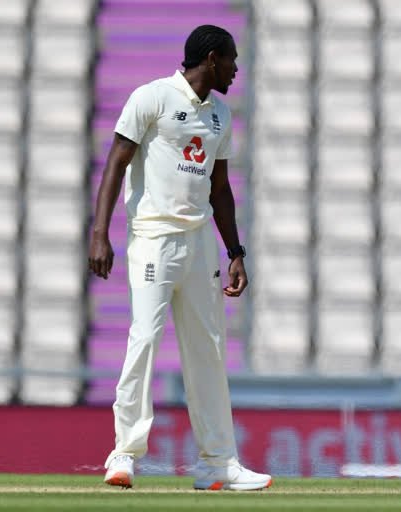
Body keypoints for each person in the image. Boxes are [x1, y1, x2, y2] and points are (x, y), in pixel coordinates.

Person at [88, 25, 272, 491]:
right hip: (153, 237)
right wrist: (99, 233)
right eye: (231, 59)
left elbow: (220, 188)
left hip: (199, 244)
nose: (236, 68)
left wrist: (235, 251)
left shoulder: (221, 114)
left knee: (208, 349)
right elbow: (116, 162)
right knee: (145, 337)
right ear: (211, 58)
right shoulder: (152, 97)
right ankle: (124, 454)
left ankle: (217, 463)